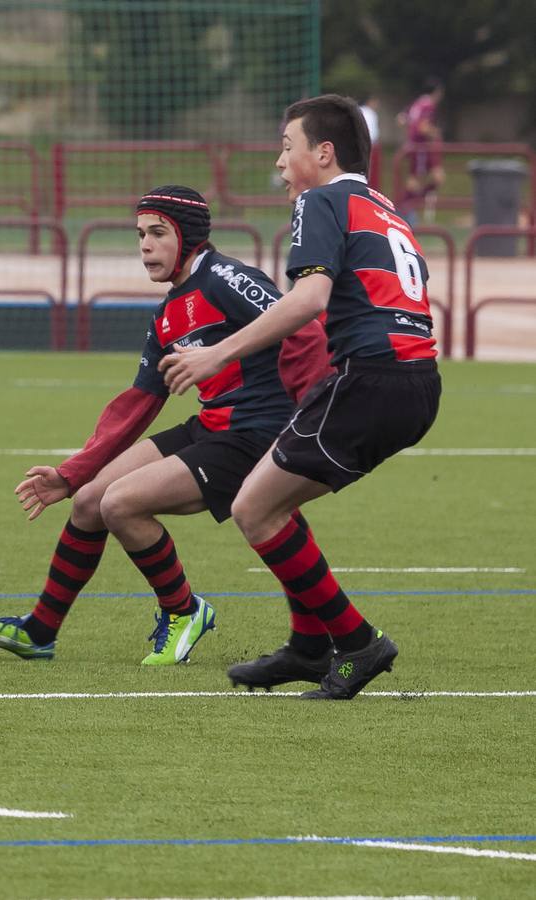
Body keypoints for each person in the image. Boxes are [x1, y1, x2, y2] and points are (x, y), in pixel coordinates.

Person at [0, 186, 330, 665]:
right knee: (92, 499)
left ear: (188, 236)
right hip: (212, 426)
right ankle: (39, 631)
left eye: (158, 233)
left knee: (121, 504)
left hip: (255, 435)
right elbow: (137, 403)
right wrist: (72, 474)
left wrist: (311, 413)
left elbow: (302, 325)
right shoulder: (166, 314)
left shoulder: (228, 278)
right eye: (140, 235)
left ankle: (183, 612)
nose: (145, 246)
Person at [160, 94, 441, 700]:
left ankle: (355, 641)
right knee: (272, 495)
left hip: (373, 378)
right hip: (414, 380)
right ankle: (310, 646)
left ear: (324, 152)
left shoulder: (321, 199)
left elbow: (310, 301)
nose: (281, 163)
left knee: (253, 508)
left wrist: (217, 353)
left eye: (288, 148)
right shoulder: (382, 205)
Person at [397, 78, 444, 223]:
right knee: (418, 180)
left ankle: (406, 209)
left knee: (433, 177)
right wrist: (435, 132)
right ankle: (403, 211)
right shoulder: (428, 104)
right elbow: (422, 127)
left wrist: (409, 132)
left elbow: (400, 119)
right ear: (436, 92)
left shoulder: (417, 103)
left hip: (414, 146)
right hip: (421, 147)